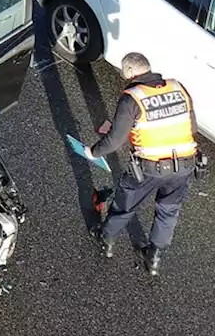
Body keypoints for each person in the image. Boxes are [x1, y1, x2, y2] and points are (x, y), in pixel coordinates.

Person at [84, 52, 203, 276]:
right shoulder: (178, 88)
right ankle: (154, 258)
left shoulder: (132, 97)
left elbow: (115, 140)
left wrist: (93, 151)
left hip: (149, 167)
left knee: (126, 203)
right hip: (184, 164)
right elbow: (192, 127)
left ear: (129, 71)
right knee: (168, 211)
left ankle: (107, 240)